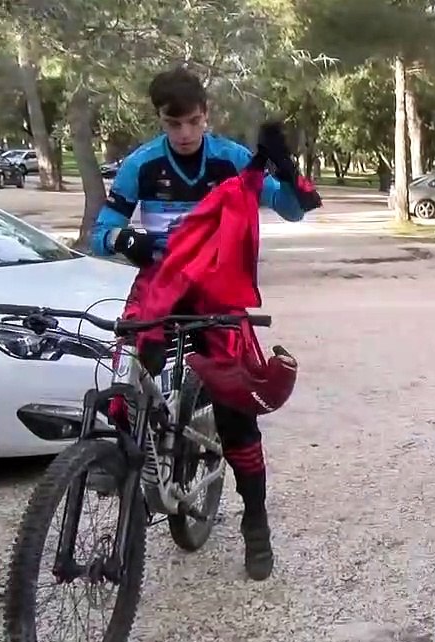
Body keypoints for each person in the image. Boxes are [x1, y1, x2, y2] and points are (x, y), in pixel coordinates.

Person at [91, 66, 318, 582]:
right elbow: (101, 230)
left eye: (193, 122)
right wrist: (129, 241)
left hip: (220, 292)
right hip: (163, 284)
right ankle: (124, 458)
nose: (185, 134)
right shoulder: (141, 165)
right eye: (175, 125)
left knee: (237, 414)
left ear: (206, 116)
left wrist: (283, 168)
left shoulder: (230, 158)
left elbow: (292, 209)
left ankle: (255, 524)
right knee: (128, 372)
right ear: (161, 122)